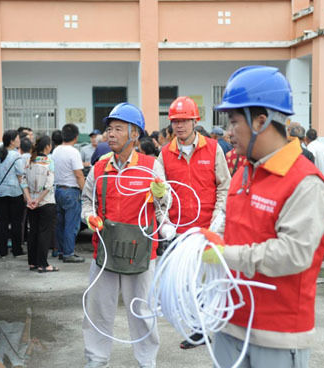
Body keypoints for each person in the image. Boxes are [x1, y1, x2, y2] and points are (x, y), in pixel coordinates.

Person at [202, 65, 324, 368]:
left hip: (277, 335)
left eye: (234, 122)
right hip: (230, 323)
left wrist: (225, 255)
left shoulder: (306, 183)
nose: (228, 132)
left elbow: (293, 253)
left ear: (261, 121)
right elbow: (232, 230)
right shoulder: (243, 173)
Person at [81, 102, 170, 368]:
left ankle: (147, 361)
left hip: (140, 253)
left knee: (142, 311)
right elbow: (87, 202)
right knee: (97, 311)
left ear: (134, 134)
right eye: (109, 128)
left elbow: (164, 206)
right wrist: (89, 217)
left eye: (118, 129)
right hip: (105, 252)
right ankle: (95, 360)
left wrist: (161, 198)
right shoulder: (99, 168)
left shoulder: (150, 166)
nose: (110, 134)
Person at [157, 96, 231, 349]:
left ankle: (205, 330)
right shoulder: (165, 154)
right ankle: (197, 328)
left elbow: (225, 186)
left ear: (195, 121)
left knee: (211, 283)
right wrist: (164, 221)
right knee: (185, 284)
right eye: (176, 121)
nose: (180, 126)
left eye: (185, 121)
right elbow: (159, 194)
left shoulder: (213, 148)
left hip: (209, 228)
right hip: (180, 231)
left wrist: (219, 217)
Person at [0, 130, 30, 257]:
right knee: (16, 223)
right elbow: (21, 177)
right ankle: (16, 249)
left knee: (2, 222)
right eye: (18, 138)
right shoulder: (16, 156)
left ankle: (2, 250)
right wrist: (26, 194)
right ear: (12, 141)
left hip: (1, 193)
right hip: (15, 193)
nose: (20, 140)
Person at [25, 135, 59, 272]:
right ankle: (43, 264)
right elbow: (49, 185)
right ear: (47, 147)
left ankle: (32, 262)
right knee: (44, 233)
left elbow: (23, 182)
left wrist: (30, 199)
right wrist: (38, 200)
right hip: (46, 202)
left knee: (33, 232)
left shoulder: (29, 160)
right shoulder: (49, 161)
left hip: (30, 203)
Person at [53, 123, 85, 263]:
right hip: (71, 192)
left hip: (58, 190)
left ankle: (61, 251)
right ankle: (69, 253)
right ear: (76, 137)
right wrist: (85, 191)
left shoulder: (56, 150)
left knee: (61, 223)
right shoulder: (74, 152)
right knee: (71, 225)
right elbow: (79, 175)